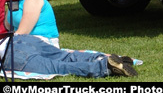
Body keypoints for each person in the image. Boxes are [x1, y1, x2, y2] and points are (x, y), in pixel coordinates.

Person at [3, 34, 138, 78]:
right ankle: (101, 57)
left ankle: (104, 66)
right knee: (65, 56)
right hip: (20, 39)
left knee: (59, 66)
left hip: (12, 54)